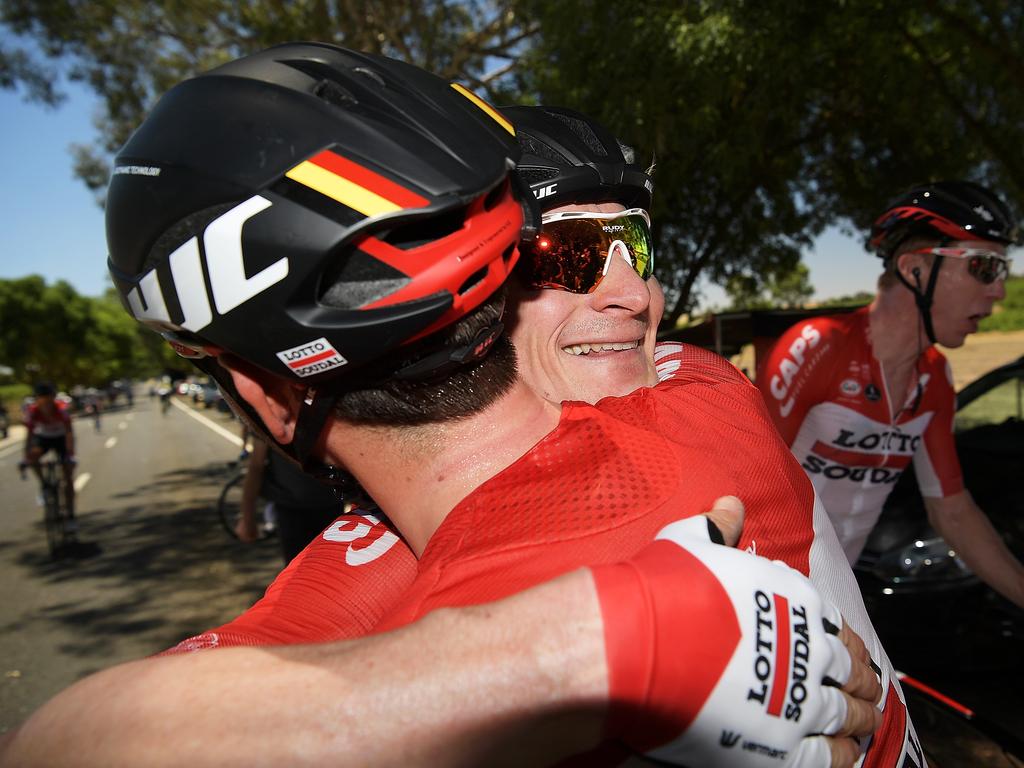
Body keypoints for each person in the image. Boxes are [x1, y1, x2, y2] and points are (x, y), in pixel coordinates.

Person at [1, 45, 885, 767]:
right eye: (570, 254)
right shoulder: (706, 386)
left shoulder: (424, 613)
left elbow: (68, 745)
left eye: (636, 246)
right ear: (494, 275)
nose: (632, 294)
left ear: (269, 400)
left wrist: (575, 651)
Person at [757, 180, 1024, 609]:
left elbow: (952, 512)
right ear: (915, 268)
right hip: (769, 592)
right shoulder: (818, 346)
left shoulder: (935, 378)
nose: (999, 292)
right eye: (984, 268)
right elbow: (746, 485)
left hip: (839, 597)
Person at [236, 436, 344, 563]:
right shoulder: (271, 420)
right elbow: (256, 466)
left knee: (328, 568)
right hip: (295, 511)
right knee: (303, 569)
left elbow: (256, 466)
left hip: (329, 507)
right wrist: (247, 518)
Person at [22, 381, 77, 534]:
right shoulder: (33, 412)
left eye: (48, 398)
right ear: (37, 399)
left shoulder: (62, 411)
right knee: (33, 457)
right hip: (44, 438)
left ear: (53, 398)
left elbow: (69, 434)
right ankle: (45, 484)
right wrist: (26, 457)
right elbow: (29, 436)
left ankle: (71, 516)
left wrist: (70, 455)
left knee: (68, 477)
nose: (45, 402)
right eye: (41, 398)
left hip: (61, 439)